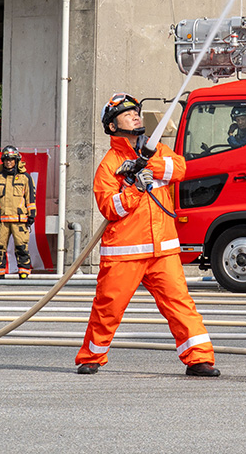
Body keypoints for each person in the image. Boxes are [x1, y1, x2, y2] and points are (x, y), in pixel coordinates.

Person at [76, 93, 220, 376]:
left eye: (136, 111)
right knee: (108, 308)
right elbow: (109, 207)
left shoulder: (155, 151)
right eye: (127, 113)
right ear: (112, 126)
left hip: (163, 249)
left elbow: (179, 169)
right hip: (125, 251)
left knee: (180, 304)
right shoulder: (108, 165)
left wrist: (146, 163)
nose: (135, 115)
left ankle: (199, 359)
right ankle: (90, 357)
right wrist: (134, 188)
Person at [0, 145, 35, 279]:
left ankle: (24, 271)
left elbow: (30, 198)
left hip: (19, 220)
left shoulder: (25, 178)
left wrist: (31, 215)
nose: (8, 162)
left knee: (21, 246)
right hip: (1, 220)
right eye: (6, 159)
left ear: (16, 160)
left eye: (11, 159)